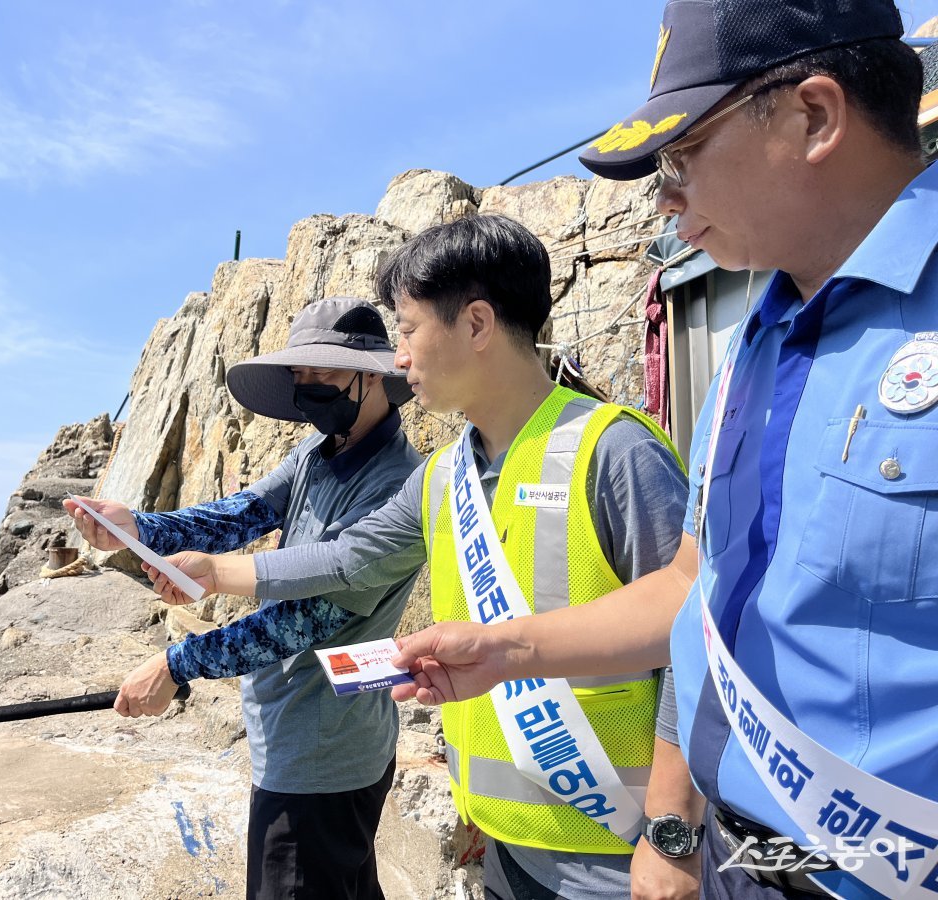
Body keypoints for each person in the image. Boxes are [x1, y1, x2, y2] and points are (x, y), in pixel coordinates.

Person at [386, 2, 938, 897]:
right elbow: (696, 592)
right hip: (743, 862)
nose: (665, 197)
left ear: (815, 116)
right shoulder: (751, 351)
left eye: (682, 157)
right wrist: (506, 652)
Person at [143, 214, 692, 900]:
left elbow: (698, 643)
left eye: (405, 329)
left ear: (477, 324)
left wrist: (675, 835)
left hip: (618, 857)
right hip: (508, 851)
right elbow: (349, 559)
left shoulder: (615, 452)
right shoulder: (442, 476)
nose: (398, 357)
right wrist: (211, 568)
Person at [64, 297, 422, 900]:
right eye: (299, 379)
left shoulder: (396, 485)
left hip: (324, 758)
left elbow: (295, 625)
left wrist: (176, 666)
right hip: (299, 739)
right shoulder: (320, 451)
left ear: (373, 375)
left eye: (323, 377)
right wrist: (139, 528)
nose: (308, 392)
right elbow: (243, 514)